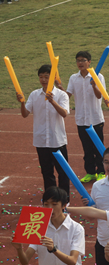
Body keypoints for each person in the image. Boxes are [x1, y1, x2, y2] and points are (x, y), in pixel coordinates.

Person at [18, 64, 70, 196]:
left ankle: (64, 197)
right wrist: (22, 102)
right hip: (41, 140)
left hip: (57, 140)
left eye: (46, 77)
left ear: (52, 78)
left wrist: (52, 101)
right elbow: (25, 114)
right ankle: (51, 197)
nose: (43, 80)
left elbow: (64, 113)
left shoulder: (61, 95)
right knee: (47, 172)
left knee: (63, 171)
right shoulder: (35, 94)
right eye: (41, 77)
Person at [59, 50, 106, 182]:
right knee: (86, 148)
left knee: (98, 146)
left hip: (95, 118)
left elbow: (99, 96)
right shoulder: (74, 78)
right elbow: (67, 96)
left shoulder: (98, 76)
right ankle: (90, 172)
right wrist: (60, 88)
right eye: (78, 60)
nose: (80, 63)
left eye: (83, 60)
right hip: (81, 119)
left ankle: (101, 171)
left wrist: (94, 86)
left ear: (89, 62)